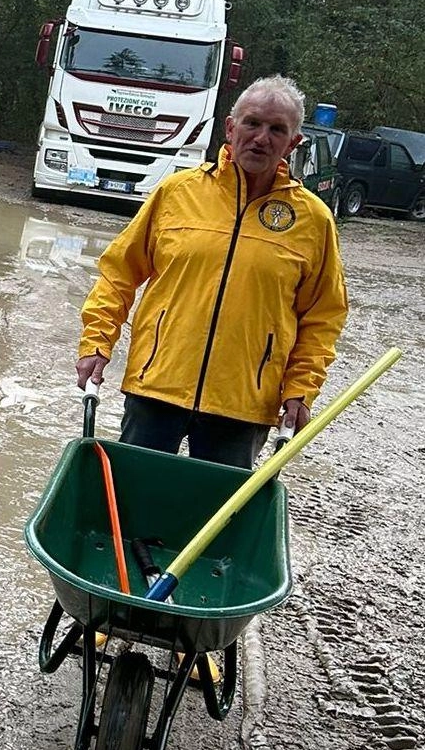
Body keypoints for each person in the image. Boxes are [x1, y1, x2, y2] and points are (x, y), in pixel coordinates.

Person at [75, 75, 348, 469]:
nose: (261, 138)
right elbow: (119, 273)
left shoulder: (313, 221)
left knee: (218, 514)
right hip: (157, 384)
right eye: (252, 123)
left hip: (244, 402)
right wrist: (96, 344)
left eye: (276, 130)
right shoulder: (177, 193)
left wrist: (301, 389)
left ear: (293, 143)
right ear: (230, 127)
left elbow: (323, 317)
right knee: (134, 502)